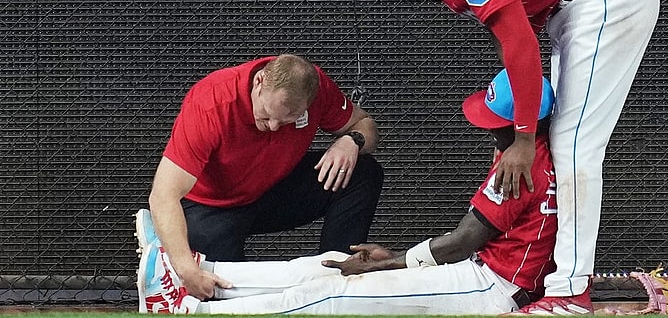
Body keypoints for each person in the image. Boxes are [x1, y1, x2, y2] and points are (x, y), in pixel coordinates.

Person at [344, 0, 660, 314]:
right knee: (563, 144)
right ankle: (558, 279)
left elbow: (520, 44)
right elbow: (509, 41)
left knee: (573, 148)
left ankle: (570, 293)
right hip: (576, 4)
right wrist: (513, 132)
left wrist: (524, 139)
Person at [136, 70, 560, 315]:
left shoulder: (520, 166)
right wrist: (389, 262)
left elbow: (465, 241)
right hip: (217, 204)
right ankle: (187, 268)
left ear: (522, 125)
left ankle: (195, 309)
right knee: (330, 267)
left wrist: (391, 263)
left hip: (491, 287)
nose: (485, 126)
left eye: (495, 121)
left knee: (336, 292)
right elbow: (163, 193)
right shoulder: (531, 152)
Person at [140, 53, 384, 302]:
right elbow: (163, 195)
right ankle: (167, 252)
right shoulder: (212, 102)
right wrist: (186, 269)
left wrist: (352, 140)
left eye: (288, 120)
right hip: (211, 207)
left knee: (362, 172)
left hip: (270, 189)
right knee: (221, 290)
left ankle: (339, 281)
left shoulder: (318, 89)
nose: (274, 126)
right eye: (266, 115)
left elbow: (365, 123)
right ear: (259, 82)